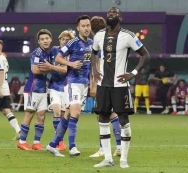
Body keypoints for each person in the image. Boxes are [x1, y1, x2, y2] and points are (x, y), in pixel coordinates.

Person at [91, 7, 150, 168]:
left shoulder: (128, 36)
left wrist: (133, 73)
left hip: (120, 85)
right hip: (103, 85)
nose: (111, 14)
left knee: (124, 120)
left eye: (114, 13)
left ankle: (123, 159)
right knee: (102, 118)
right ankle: (108, 158)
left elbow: (145, 54)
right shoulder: (98, 35)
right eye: (109, 13)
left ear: (120, 18)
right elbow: (94, 52)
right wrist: (94, 71)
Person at [46, 15, 93, 157]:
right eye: (83, 26)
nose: (86, 28)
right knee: (76, 112)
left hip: (84, 83)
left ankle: (52, 145)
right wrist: (71, 64)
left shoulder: (91, 43)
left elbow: (94, 63)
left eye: (88, 25)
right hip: (72, 82)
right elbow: (58, 57)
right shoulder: (73, 42)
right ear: (78, 28)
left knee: (67, 114)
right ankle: (72, 147)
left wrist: (93, 81)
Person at [17, 29, 66, 150]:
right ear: (39, 41)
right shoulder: (37, 53)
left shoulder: (48, 54)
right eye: (42, 39)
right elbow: (35, 70)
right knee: (29, 114)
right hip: (33, 88)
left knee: (41, 115)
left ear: (50, 39)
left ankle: (36, 142)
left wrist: (51, 67)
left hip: (43, 89)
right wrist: (53, 68)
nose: (45, 41)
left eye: (47, 38)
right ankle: (22, 141)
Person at [89, 16, 121, 158]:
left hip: (104, 82)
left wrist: (94, 84)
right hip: (114, 81)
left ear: (91, 28)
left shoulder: (98, 41)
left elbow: (98, 64)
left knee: (104, 116)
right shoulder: (110, 38)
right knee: (111, 113)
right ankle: (119, 146)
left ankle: (103, 149)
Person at [45, 30, 75, 151]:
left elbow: (65, 70)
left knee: (65, 116)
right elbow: (45, 62)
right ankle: (60, 142)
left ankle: (58, 139)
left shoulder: (73, 53)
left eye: (67, 40)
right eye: (63, 39)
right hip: (54, 86)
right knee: (56, 112)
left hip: (67, 87)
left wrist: (51, 67)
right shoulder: (53, 51)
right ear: (60, 40)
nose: (65, 41)